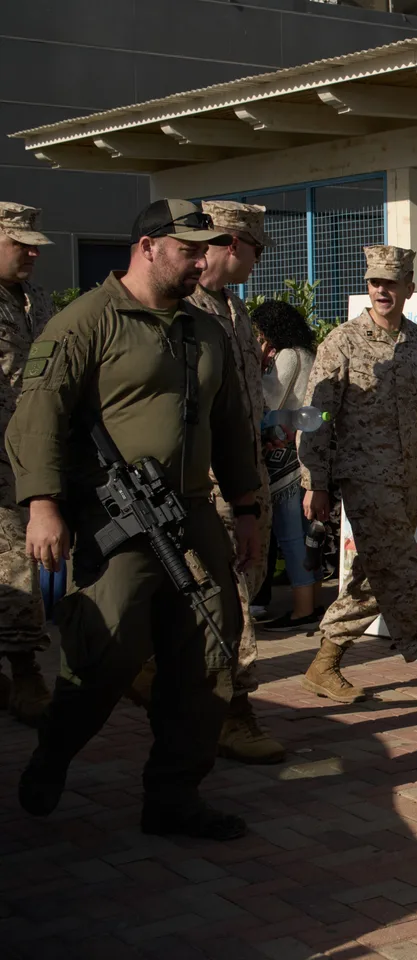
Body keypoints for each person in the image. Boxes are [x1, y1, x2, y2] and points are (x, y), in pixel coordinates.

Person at [7, 199, 259, 839]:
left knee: (209, 653)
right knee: (107, 651)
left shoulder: (204, 330)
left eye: (205, 251)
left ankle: (174, 795)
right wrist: (43, 504)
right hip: (114, 517)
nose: (201, 262)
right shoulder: (85, 322)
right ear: (148, 246)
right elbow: (36, 418)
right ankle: (54, 752)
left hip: (192, 514)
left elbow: (231, 425)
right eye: (189, 250)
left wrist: (248, 507)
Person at [298, 245, 417, 711]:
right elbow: (316, 416)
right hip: (364, 480)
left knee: (375, 571)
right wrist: (315, 481)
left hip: (408, 478)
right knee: (399, 572)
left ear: (408, 288)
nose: (382, 291)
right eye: (375, 282)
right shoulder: (343, 342)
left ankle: (324, 663)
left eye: (391, 283)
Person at [186, 200, 284, 765]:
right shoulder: (185, 308)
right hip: (208, 484)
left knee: (244, 584)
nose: (258, 260)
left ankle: (200, 695)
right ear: (229, 244)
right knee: (232, 600)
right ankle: (233, 710)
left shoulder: (235, 309)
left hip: (248, 479)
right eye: (255, 248)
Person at [0, 202, 54, 726]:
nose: (31, 254)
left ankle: (22, 671)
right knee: (14, 567)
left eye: (35, 245)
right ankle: (24, 673)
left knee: (21, 562)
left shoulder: (39, 299)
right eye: (20, 244)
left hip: (30, 455)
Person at [251, 299, 320, 630]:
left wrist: (256, 363)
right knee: (307, 535)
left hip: (285, 459)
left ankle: (302, 610)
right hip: (305, 453)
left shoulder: (289, 356)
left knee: (290, 535)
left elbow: (265, 401)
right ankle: (311, 603)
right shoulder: (307, 353)